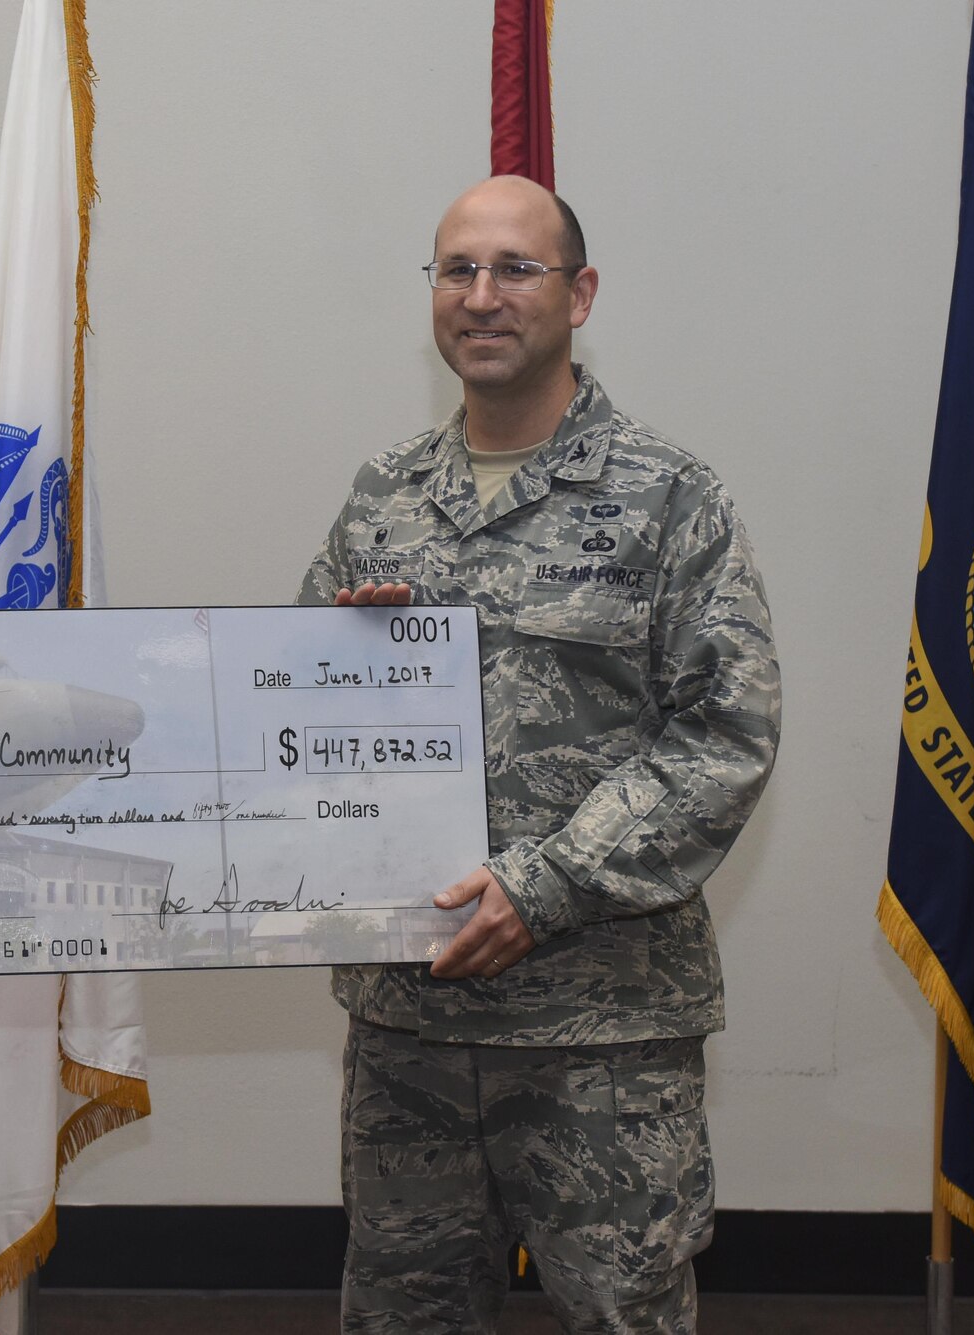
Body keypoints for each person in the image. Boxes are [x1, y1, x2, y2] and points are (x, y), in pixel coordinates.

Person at [298, 177, 781, 1333]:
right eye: (455, 270)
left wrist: (543, 884)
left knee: (618, 1316)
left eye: (515, 269)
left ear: (578, 294)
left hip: (600, 1034)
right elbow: (295, 728)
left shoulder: (667, 499)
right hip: (408, 1024)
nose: (480, 297)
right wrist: (339, 662)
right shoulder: (382, 498)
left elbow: (726, 731)